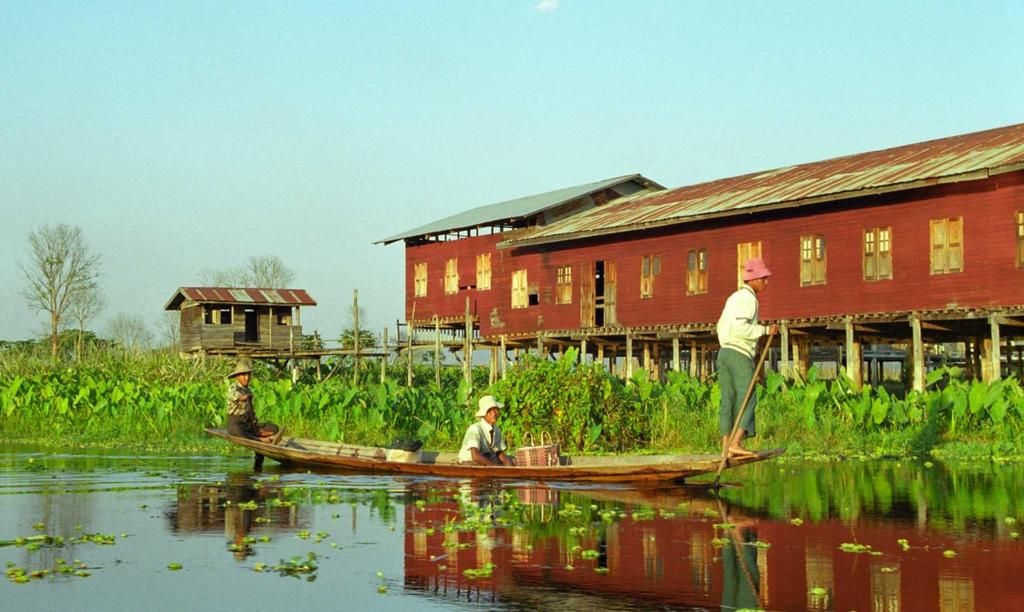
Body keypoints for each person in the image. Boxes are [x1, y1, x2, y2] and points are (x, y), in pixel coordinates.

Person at [716, 258, 778, 459]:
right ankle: (736, 442)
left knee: (728, 399)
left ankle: (726, 447)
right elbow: (740, 327)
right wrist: (765, 330)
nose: (765, 283)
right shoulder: (749, 299)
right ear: (754, 280)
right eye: (763, 279)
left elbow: (722, 326)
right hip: (738, 353)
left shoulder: (733, 297)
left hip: (724, 352)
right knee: (749, 396)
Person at [225, 358, 281, 443]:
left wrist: (253, 419)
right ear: (237, 376)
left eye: (248, 375)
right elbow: (236, 396)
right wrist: (246, 397)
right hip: (236, 423)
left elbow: (250, 408)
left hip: (247, 423)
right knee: (238, 431)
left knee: (274, 428)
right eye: (244, 375)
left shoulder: (248, 390)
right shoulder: (233, 387)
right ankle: (260, 439)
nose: (247, 378)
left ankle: (256, 433)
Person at [458, 395, 515, 466]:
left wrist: (509, 464)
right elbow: (475, 456)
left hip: (487, 458)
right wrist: (494, 467)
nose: (494, 413)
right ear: (483, 414)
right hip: (470, 461)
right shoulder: (475, 429)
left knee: (512, 459)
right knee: (478, 464)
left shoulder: (496, 429)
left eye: (495, 409)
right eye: (489, 411)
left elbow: (498, 452)